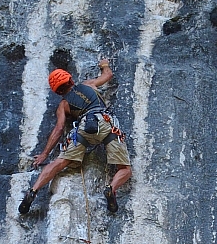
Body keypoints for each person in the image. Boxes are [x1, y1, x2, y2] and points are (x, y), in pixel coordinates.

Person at [18, 59, 133, 216]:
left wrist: (44, 154)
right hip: (106, 123)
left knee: (60, 162)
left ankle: (33, 190)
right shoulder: (88, 84)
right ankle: (111, 188)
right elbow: (108, 75)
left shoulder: (63, 105)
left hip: (84, 128)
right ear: (71, 79)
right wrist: (104, 64)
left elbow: (58, 129)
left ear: (57, 92)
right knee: (125, 169)